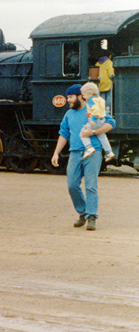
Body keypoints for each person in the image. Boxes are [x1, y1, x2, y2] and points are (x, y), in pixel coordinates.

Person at [51, 84, 115, 231]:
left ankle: (92, 216)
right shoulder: (69, 114)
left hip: (93, 153)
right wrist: (56, 153)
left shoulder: (94, 109)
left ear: (80, 96)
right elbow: (64, 134)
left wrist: (93, 132)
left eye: (70, 97)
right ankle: (83, 212)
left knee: (90, 185)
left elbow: (111, 124)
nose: (68, 100)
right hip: (74, 153)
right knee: (72, 185)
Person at [80, 82, 115, 162]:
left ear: (90, 93)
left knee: (82, 133)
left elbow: (96, 111)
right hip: (102, 120)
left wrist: (93, 120)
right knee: (102, 136)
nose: (83, 97)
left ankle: (89, 148)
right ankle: (109, 152)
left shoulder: (91, 101)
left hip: (95, 120)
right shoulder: (100, 99)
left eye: (84, 95)